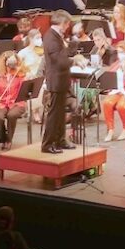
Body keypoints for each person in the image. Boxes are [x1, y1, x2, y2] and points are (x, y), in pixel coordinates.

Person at [41, 10, 76, 154]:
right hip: (55, 81)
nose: (67, 27)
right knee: (54, 114)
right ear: (63, 23)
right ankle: (47, 144)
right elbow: (60, 61)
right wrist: (74, 58)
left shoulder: (57, 36)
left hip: (61, 80)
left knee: (60, 114)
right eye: (67, 24)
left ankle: (60, 140)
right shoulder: (51, 37)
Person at [101, 41, 125, 142]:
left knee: (121, 106)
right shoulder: (117, 63)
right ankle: (110, 130)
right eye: (118, 52)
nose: (120, 55)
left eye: (122, 52)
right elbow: (109, 74)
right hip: (117, 90)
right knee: (107, 102)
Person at [0, 51, 26, 151]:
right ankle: (3, 138)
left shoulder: (20, 75)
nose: (11, 66)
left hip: (17, 103)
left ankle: (9, 140)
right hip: (1, 103)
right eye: (9, 63)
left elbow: (25, 90)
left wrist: (23, 76)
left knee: (11, 115)